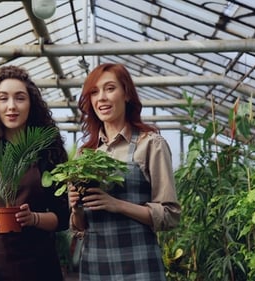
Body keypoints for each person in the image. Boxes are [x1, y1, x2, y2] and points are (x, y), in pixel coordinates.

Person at [68, 63, 181, 280]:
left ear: (126, 94)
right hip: (95, 265)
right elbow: (79, 227)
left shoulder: (150, 144)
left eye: (110, 89)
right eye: (94, 92)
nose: (101, 98)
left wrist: (116, 204)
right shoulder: (84, 155)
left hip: (140, 265)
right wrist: (76, 208)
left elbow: (170, 215)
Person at [0, 65, 69, 281]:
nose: (11, 106)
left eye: (20, 98)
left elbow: (63, 217)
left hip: (37, 266)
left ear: (31, 104)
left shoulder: (48, 152)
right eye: (3, 98)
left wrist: (34, 218)